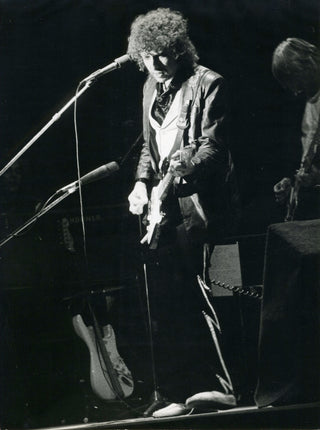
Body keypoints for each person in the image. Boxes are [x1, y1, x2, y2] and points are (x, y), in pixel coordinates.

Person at [126, 8, 239, 417]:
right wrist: (141, 183)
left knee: (213, 296)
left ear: (180, 49)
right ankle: (180, 390)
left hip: (205, 210)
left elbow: (215, 147)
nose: (156, 64)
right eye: (148, 56)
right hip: (164, 213)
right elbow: (147, 146)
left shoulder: (209, 83)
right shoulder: (149, 88)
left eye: (164, 55)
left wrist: (180, 167)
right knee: (169, 301)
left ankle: (227, 387)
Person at [272, 38, 320, 221]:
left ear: (309, 65)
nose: (295, 91)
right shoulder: (308, 103)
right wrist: (292, 186)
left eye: (295, 81)